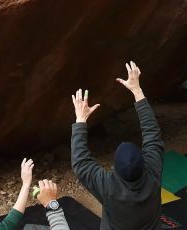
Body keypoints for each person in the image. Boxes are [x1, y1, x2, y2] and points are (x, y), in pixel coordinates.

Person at [70, 62, 164, 230]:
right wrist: (137, 90)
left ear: (115, 169)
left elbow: (80, 163)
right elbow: (152, 134)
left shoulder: (108, 186)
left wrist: (81, 119)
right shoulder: (153, 173)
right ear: (143, 163)